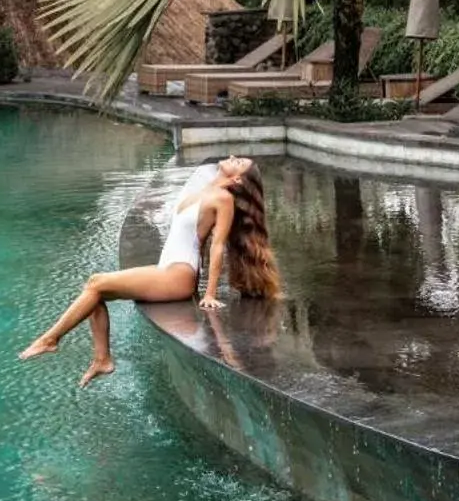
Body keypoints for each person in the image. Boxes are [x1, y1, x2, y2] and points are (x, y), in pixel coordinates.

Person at [18, 156, 282, 387]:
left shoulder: (223, 199)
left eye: (238, 163)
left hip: (180, 273)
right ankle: (102, 359)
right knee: (96, 288)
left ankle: (51, 339)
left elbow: (217, 246)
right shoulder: (206, 190)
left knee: (97, 284)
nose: (232, 157)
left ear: (237, 179)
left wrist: (209, 293)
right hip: (167, 267)